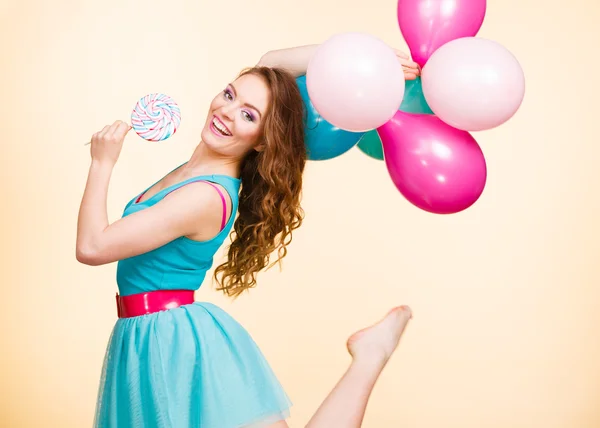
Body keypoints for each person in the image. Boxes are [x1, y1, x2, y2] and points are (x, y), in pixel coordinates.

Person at [76, 43, 420, 428]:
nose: (226, 112)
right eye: (228, 94)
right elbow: (270, 63)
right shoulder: (192, 172)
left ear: (261, 140)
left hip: (175, 345)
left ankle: (370, 357)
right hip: (144, 337)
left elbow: (92, 247)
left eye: (247, 114)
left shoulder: (205, 195)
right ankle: (371, 355)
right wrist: (359, 57)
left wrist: (101, 162)